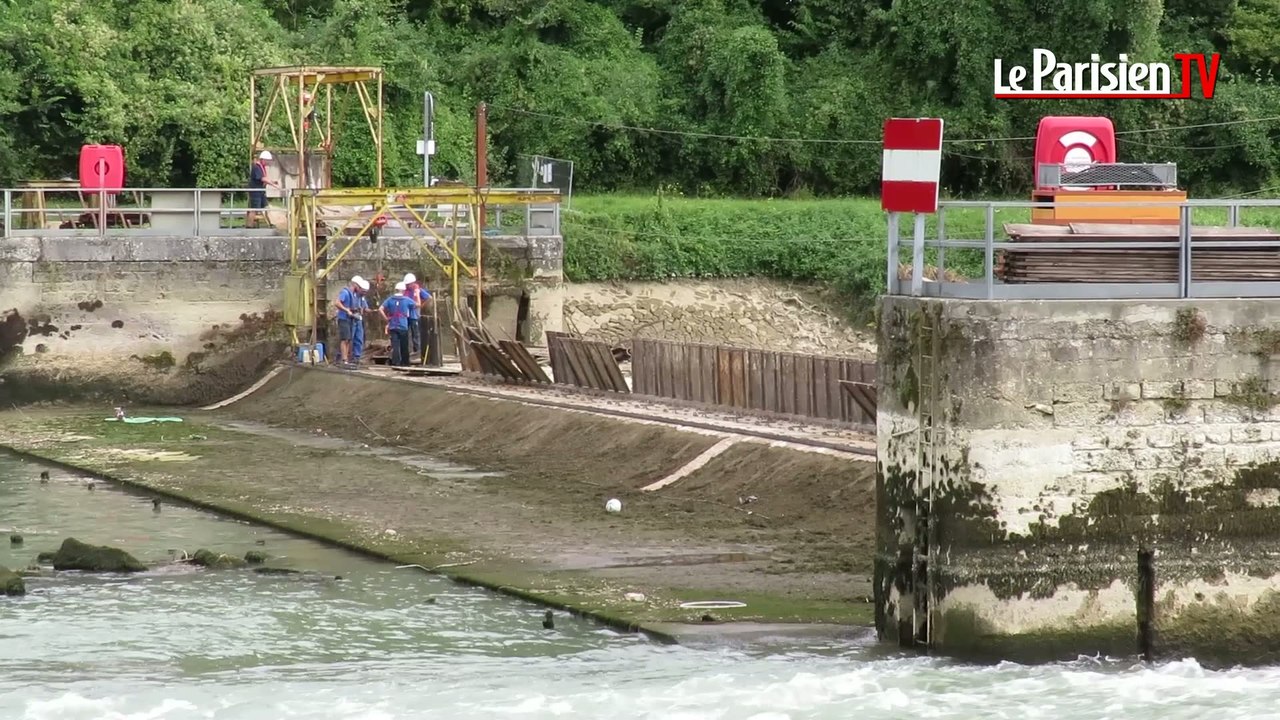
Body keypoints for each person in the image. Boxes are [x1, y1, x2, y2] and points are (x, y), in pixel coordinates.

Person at [334, 276, 369, 366]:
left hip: (351, 319)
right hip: (344, 318)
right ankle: (343, 359)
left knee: (349, 339)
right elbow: (337, 302)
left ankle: (347, 359)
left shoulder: (355, 295)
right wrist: (347, 310)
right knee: (345, 339)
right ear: (355, 285)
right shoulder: (345, 293)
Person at [380, 282, 412, 367]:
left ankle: (396, 362)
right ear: (403, 290)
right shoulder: (406, 300)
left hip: (393, 325)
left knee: (395, 345)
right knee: (404, 345)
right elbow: (417, 305)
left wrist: (386, 318)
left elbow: (380, 309)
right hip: (403, 325)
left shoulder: (390, 299)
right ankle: (405, 362)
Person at [403, 273, 432, 363]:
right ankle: (407, 351)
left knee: (416, 334)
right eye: (406, 284)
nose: (407, 286)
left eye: (409, 284)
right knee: (405, 334)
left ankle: (417, 352)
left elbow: (429, 298)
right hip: (406, 316)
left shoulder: (418, 290)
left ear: (413, 283)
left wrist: (421, 306)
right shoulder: (405, 291)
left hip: (415, 316)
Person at [247, 151, 278, 229]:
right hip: (256, 192)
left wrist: (272, 181)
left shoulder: (261, 167)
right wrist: (273, 184)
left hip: (261, 192)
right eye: (267, 161)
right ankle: (249, 226)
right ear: (263, 159)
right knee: (254, 209)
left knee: (266, 207)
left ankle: (270, 223)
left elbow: (264, 178)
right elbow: (262, 178)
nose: (268, 163)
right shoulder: (256, 167)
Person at [349, 276, 371, 365]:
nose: (364, 293)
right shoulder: (352, 295)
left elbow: (365, 306)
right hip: (351, 319)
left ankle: (357, 356)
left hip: (359, 320)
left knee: (359, 338)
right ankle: (347, 356)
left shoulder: (362, 297)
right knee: (349, 338)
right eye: (363, 291)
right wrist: (357, 309)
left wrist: (367, 310)